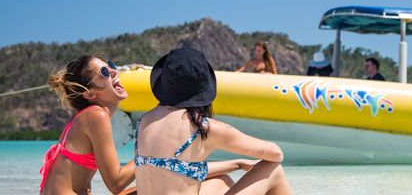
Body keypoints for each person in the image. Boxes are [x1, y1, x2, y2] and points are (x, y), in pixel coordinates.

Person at [136, 47, 291, 195]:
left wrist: (236, 164)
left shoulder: (144, 121)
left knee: (220, 181)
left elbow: (172, 168)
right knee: (273, 168)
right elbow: (276, 153)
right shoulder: (202, 128)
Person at [40, 55, 136, 194]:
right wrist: (149, 154)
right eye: (104, 72)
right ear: (90, 94)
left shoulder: (86, 116)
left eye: (111, 65)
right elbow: (116, 183)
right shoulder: (96, 115)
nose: (113, 72)